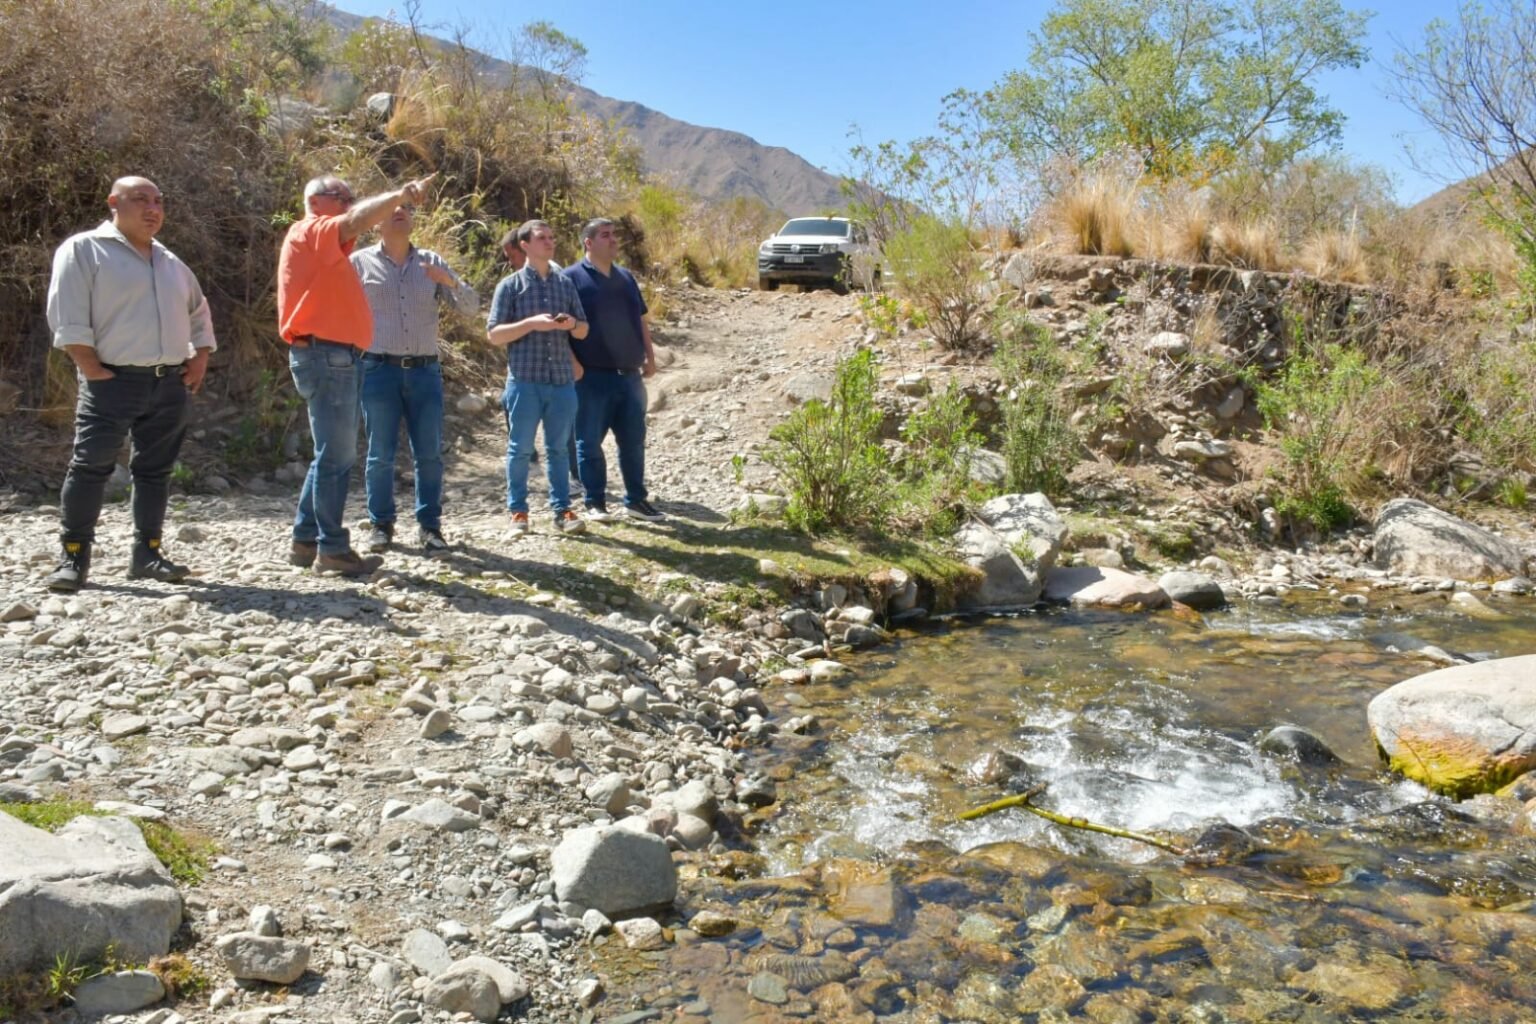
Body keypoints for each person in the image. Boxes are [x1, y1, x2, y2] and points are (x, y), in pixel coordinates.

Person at [44, 176, 216, 592]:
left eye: (158, 200)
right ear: (113, 204)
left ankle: (148, 554)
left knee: (155, 471)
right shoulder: (85, 250)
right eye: (140, 199)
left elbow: (199, 312)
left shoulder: (171, 261)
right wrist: (89, 365)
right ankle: (73, 558)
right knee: (90, 467)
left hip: (168, 384)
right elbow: (68, 311)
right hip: (112, 380)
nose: (152, 208)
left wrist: (200, 358)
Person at [277, 171, 434, 575]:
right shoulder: (310, 230)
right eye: (340, 196)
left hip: (334, 357)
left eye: (351, 196)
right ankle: (331, 549)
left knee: (330, 453)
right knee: (338, 455)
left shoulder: (322, 244)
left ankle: (305, 540)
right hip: (327, 356)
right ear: (316, 202)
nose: (348, 202)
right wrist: (399, 192)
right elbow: (356, 221)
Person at [352, 203, 477, 554]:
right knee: (379, 453)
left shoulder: (432, 262)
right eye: (390, 209)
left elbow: (471, 307)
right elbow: (340, 309)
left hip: (425, 371)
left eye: (406, 208)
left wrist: (449, 281)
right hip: (378, 369)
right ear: (375, 224)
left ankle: (430, 527)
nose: (399, 211)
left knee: (430, 453)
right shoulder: (358, 263)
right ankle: (381, 525)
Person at [485, 219, 589, 536]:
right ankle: (518, 512)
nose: (549, 242)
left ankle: (562, 510)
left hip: (560, 381)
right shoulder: (510, 286)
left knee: (558, 449)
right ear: (525, 245)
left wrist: (570, 323)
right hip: (524, 381)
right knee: (519, 449)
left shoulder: (565, 284)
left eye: (552, 237)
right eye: (542, 237)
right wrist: (530, 323)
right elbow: (494, 334)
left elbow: (584, 331)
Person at [563, 218, 665, 522]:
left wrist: (650, 356)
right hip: (590, 377)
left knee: (633, 441)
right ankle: (594, 502)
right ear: (588, 242)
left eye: (614, 235)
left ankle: (636, 500)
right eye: (605, 235)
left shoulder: (626, 278)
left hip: (629, 375)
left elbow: (641, 320)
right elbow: (559, 328)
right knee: (589, 442)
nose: (613, 240)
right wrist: (574, 364)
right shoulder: (570, 279)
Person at [499, 228, 581, 478]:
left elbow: (559, 325)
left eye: (510, 255)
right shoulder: (517, 282)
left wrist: (572, 359)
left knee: (561, 426)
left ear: (521, 248)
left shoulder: (551, 275)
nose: (509, 262)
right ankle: (535, 462)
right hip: (529, 363)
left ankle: (573, 475)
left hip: (556, 360)